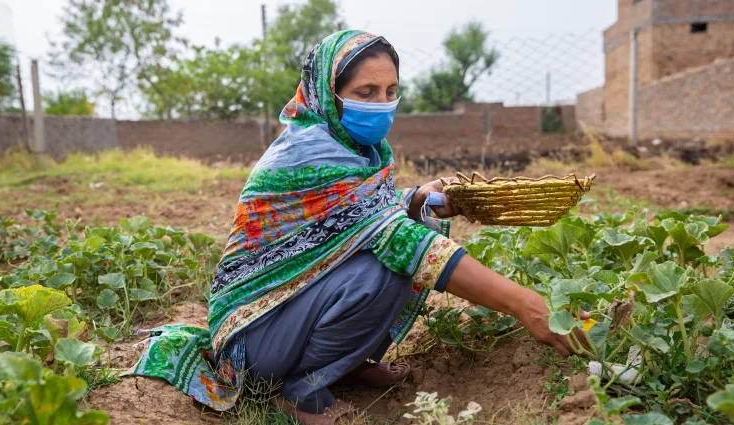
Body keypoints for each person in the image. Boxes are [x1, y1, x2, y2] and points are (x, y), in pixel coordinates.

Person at [128, 30, 587, 425]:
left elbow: (358, 220)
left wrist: (416, 198)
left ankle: (342, 365)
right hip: (255, 332)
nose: (383, 104)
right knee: (389, 267)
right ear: (328, 91)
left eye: (391, 91)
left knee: (408, 237)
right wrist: (526, 306)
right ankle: (299, 390)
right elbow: (388, 236)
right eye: (366, 93)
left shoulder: (360, 151)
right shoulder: (307, 154)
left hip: (292, 311)